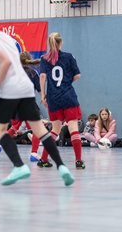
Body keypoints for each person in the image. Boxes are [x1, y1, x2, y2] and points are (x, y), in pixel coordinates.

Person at [0, 6, 74, 186]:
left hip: (10, 88)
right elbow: (11, 60)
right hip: (26, 88)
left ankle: (19, 166)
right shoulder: (6, 37)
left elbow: (5, 62)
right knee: (41, 131)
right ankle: (61, 167)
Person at [39, 32, 85, 169]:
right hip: (68, 96)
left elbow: (42, 77)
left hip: (54, 98)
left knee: (54, 130)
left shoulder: (44, 59)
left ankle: (43, 159)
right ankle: (78, 161)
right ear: (61, 43)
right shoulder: (69, 57)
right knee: (74, 130)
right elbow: (77, 76)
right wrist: (67, 81)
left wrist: (43, 95)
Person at [0, 52, 44, 161]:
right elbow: (39, 90)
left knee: (14, 128)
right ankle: (34, 153)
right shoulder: (33, 73)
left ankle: (0, 145)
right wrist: (44, 98)